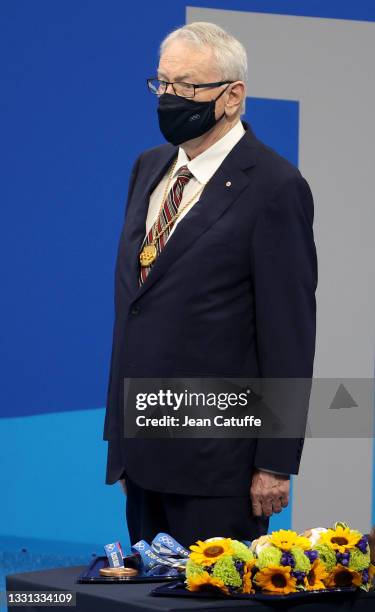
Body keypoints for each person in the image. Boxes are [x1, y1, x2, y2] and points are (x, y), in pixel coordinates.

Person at [103, 22, 317, 547]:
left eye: (186, 87)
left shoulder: (274, 188)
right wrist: (122, 445)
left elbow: (289, 336)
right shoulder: (148, 168)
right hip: (144, 456)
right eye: (162, 84)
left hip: (221, 471)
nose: (169, 98)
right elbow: (137, 310)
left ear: (232, 97)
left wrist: (274, 461)